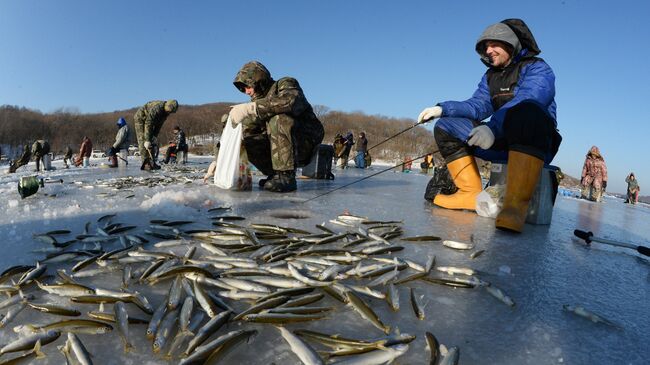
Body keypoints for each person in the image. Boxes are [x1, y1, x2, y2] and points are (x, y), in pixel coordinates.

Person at [417, 18, 562, 233]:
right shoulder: (490, 77)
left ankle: (514, 207)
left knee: (528, 112)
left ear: (510, 44)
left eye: (494, 44)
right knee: (447, 126)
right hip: (499, 140)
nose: (488, 50)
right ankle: (468, 193)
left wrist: (492, 128)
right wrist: (443, 109)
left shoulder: (538, 69)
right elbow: (477, 106)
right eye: (485, 46)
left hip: (535, 145)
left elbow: (529, 97)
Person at [228, 61, 324, 192]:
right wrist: (221, 157)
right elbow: (246, 129)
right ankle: (275, 174)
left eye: (247, 86)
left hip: (305, 142)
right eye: (243, 89)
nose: (246, 92)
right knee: (245, 135)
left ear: (258, 80)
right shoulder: (257, 103)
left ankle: (285, 176)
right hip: (281, 146)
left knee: (279, 118)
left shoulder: (285, 83)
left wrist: (252, 108)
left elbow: (291, 101)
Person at [134, 99, 179, 170]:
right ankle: (146, 164)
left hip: (149, 122)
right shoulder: (157, 108)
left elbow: (159, 125)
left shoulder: (165, 113)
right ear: (167, 107)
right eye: (169, 111)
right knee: (143, 141)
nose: (169, 113)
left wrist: (154, 136)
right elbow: (149, 122)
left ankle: (152, 162)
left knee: (151, 141)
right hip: (141, 119)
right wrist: (147, 140)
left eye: (170, 112)